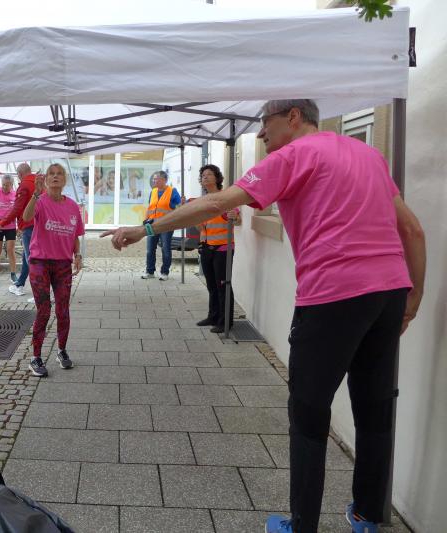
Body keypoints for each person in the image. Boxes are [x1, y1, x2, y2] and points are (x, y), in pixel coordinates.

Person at [102, 99, 425, 533]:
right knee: (375, 406)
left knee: (308, 414)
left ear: (293, 116)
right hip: (389, 292)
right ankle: (367, 516)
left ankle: (302, 525)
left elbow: (216, 202)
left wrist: (144, 229)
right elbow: (412, 229)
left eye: (265, 123)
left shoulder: (292, 156)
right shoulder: (368, 155)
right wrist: (414, 297)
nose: (260, 134)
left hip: (332, 294)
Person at [22, 163, 84, 377]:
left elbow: (75, 235)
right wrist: (35, 195)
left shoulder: (73, 206)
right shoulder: (40, 201)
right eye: (51, 174)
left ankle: (62, 351)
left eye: (59, 174)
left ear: (64, 180)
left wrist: (78, 255)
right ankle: (36, 357)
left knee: (63, 310)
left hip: (63, 264)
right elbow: (26, 217)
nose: (55, 177)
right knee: (44, 310)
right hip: (40, 262)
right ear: (46, 179)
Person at [195, 164, 241, 334]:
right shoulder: (202, 200)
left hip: (223, 248)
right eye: (203, 175)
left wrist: (235, 217)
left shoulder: (226, 198)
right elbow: (200, 226)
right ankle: (213, 316)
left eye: (209, 174)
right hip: (207, 247)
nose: (205, 177)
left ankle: (225, 322)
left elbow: (238, 220)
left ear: (217, 178)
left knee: (223, 285)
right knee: (211, 285)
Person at [0, 163, 36, 297]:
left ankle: (40, 292)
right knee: (27, 256)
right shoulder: (40, 183)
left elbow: (17, 208)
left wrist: (2, 223)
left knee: (31, 259)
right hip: (40, 225)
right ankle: (19, 284)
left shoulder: (24, 185)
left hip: (29, 225)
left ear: (19, 174)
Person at [141, 170, 182, 280]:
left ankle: (164, 272)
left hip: (166, 225)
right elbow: (150, 208)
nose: (154, 181)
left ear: (164, 180)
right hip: (152, 225)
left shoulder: (172, 191)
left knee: (165, 248)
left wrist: (182, 204)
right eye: (154, 179)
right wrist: (145, 220)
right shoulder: (153, 191)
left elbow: (180, 207)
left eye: (156, 179)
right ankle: (150, 271)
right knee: (150, 249)